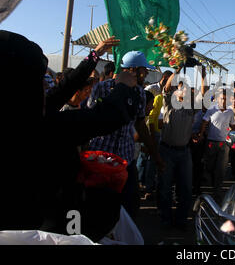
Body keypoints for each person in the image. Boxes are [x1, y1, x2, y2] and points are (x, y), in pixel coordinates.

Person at [0, 30, 142, 241]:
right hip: (54, 228)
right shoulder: (41, 129)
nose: (46, 85)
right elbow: (105, 118)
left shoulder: (22, 114)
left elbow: (62, 90)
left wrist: (95, 55)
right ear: (21, 83)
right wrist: (123, 86)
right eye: (39, 79)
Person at [87, 50, 164, 221]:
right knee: (99, 208)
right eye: (144, 70)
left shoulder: (140, 94)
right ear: (134, 69)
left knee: (129, 207)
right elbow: (89, 119)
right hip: (101, 160)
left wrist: (155, 155)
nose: (146, 74)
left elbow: (140, 126)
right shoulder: (101, 88)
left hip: (125, 160)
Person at [157, 65, 206, 230]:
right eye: (180, 89)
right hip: (167, 150)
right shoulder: (169, 104)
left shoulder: (191, 107)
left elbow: (203, 94)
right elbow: (166, 87)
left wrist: (202, 75)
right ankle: (165, 218)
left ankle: (181, 219)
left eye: (186, 89)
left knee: (185, 188)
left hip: (184, 152)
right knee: (165, 187)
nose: (183, 92)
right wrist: (177, 70)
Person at [197, 89, 235, 203]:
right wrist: (200, 135)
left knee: (221, 169)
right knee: (209, 167)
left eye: (225, 98)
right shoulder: (211, 110)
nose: (223, 100)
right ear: (216, 99)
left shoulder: (230, 112)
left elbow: (233, 125)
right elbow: (204, 123)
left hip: (224, 144)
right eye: (221, 98)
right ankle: (209, 186)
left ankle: (217, 192)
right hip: (211, 143)